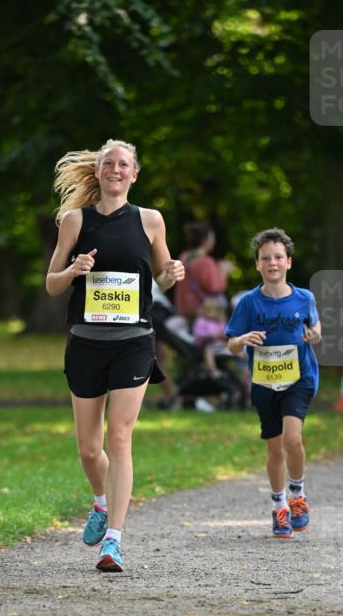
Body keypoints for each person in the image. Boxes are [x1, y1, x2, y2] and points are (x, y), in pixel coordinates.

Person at [45, 139, 184, 572]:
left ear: (134, 174)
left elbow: (163, 276)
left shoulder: (150, 220)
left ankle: (114, 541)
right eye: (109, 164)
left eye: (124, 165)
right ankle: (101, 503)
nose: (116, 170)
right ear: (99, 171)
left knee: (119, 437)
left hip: (133, 339)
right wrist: (73, 271)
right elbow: (51, 283)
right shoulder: (74, 221)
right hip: (86, 341)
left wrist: (172, 273)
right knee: (89, 450)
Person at [225, 227, 321, 539]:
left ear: (289, 262)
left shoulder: (304, 298)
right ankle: (278, 505)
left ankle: (297, 496)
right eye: (265, 258)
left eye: (278, 257)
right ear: (257, 265)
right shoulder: (249, 303)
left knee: (293, 439)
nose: (272, 263)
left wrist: (314, 335)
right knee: (275, 449)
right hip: (265, 383)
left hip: (298, 379)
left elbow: (316, 330)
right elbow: (231, 344)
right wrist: (243, 339)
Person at [175, 221, 234, 321]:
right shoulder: (205, 262)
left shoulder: (184, 257)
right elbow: (215, 288)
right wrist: (224, 272)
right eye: (212, 237)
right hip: (202, 314)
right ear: (204, 240)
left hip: (183, 310)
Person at [193, 295, 227, 378]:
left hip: (219, 344)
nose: (210, 313)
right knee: (208, 348)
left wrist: (223, 335)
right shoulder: (201, 321)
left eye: (212, 310)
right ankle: (213, 370)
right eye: (208, 310)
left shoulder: (220, 321)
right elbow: (198, 334)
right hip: (204, 344)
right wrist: (210, 334)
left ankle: (244, 359)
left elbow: (226, 332)